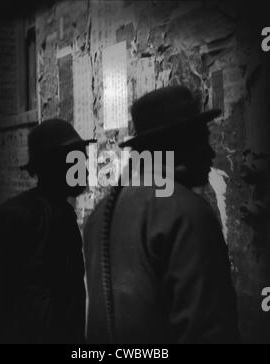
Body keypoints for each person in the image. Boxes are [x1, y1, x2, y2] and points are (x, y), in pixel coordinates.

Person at [84, 86, 240, 344]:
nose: (211, 154)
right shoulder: (187, 212)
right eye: (202, 140)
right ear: (178, 146)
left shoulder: (99, 214)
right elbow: (211, 329)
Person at [0, 119, 95, 344]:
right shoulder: (20, 216)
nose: (85, 170)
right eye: (77, 162)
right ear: (54, 166)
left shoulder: (63, 215)